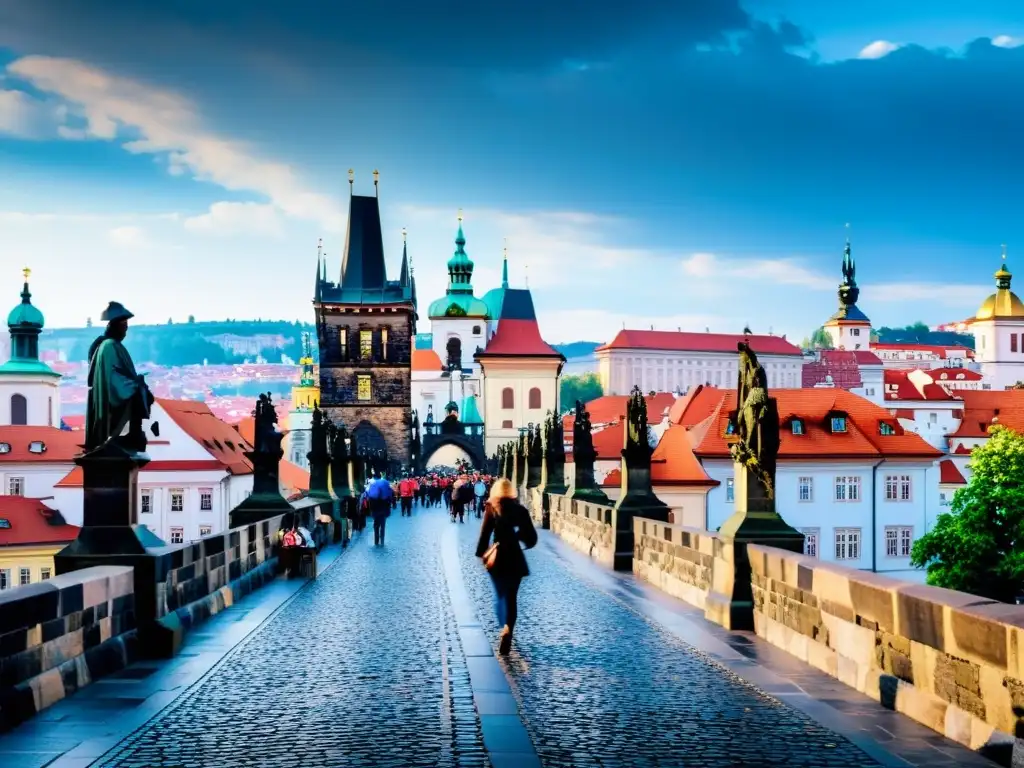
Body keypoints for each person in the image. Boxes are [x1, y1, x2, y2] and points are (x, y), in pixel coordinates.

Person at [475, 477, 538, 655]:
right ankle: (508, 629)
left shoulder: (491, 507)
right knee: (512, 597)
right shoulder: (521, 510)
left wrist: (481, 553)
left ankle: (503, 624)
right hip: (515, 558)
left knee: (500, 594)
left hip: (498, 558)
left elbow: (484, 534)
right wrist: (518, 538)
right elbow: (531, 538)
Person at [366, 472, 393, 546]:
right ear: (380, 476)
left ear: (374, 477)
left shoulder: (372, 484)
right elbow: (390, 495)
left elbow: (368, 496)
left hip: (375, 509)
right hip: (384, 508)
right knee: (382, 526)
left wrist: (371, 510)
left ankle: (376, 542)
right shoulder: (386, 483)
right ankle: (382, 542)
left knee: (376, 526)